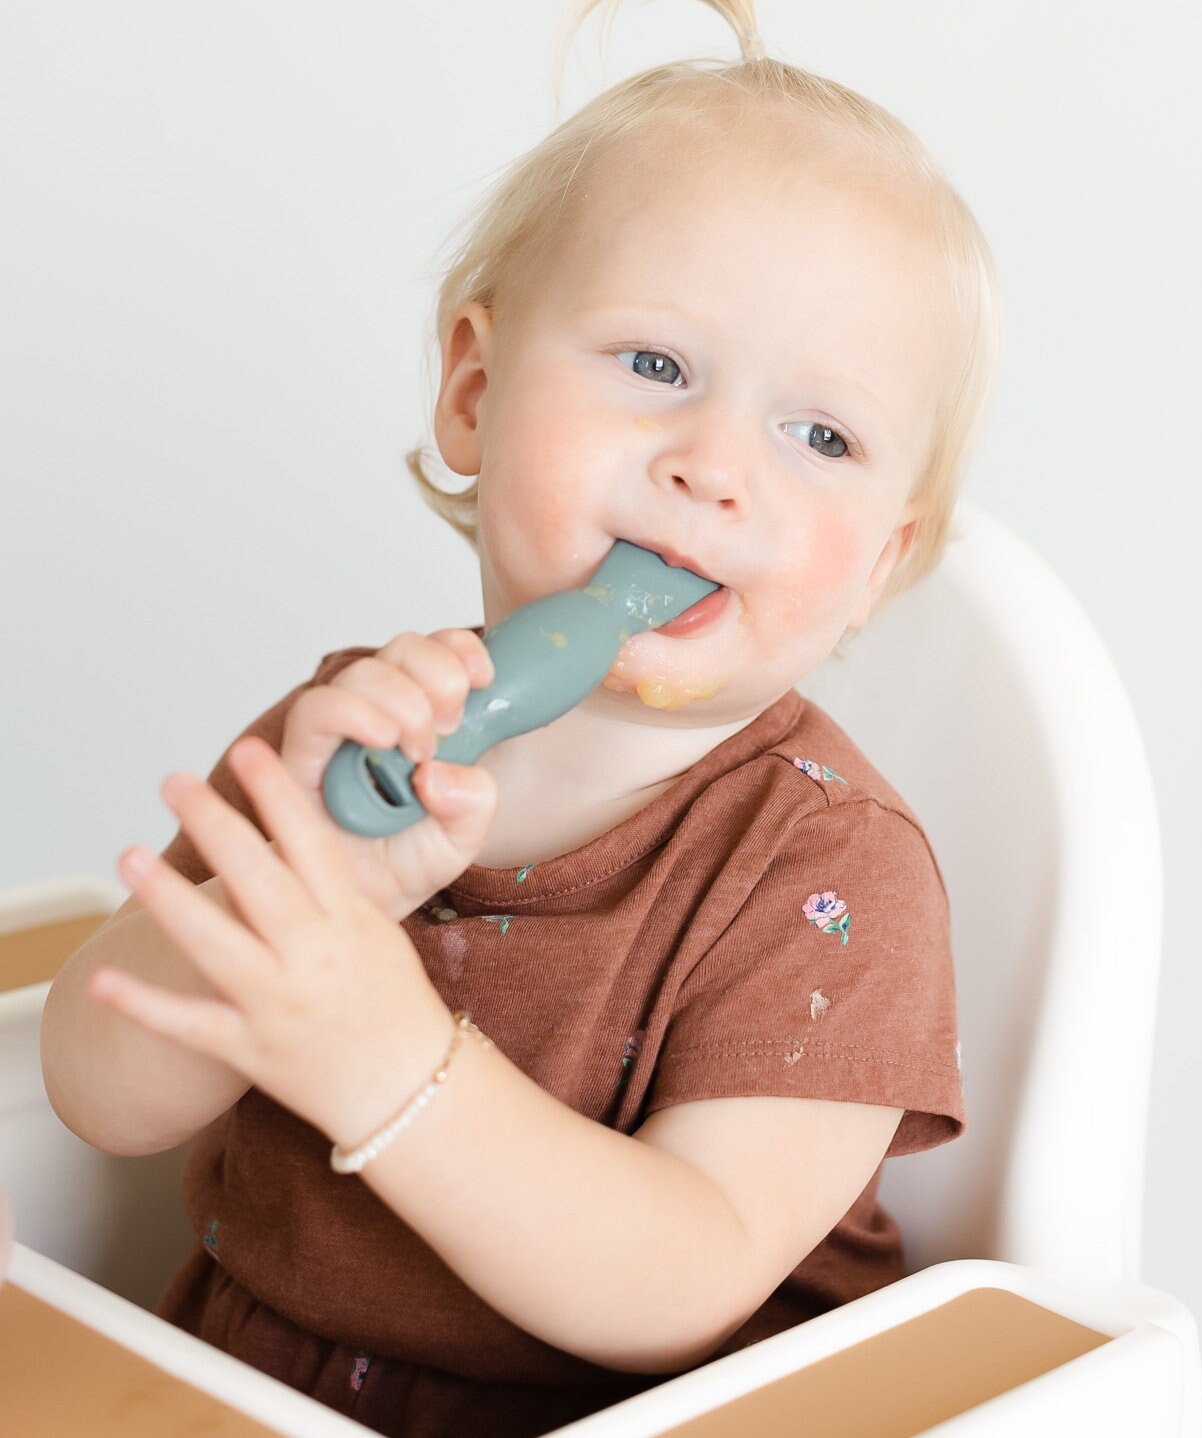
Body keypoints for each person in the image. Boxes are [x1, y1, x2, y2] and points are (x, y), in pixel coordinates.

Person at [39, 2, 1002, 1434]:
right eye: (656, 366)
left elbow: (686, 1277)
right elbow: (96, 1089)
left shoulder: (831, 877)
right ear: (475, 393)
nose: (713, 468)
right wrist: (299, 886)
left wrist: (388, 1063)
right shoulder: (358, 736)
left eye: (820, 435)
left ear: (881, 561)